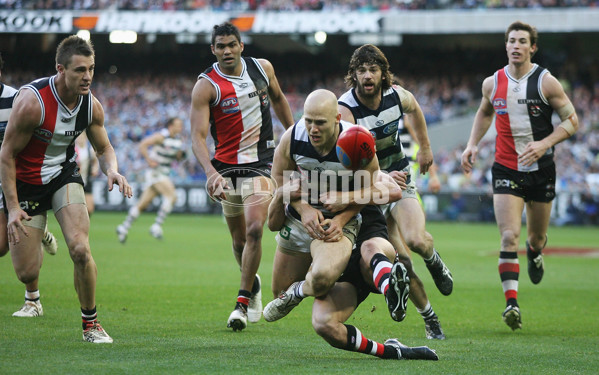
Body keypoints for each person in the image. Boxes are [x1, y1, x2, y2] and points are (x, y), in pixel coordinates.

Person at [0, 35, 133, 343]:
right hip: (26, 185)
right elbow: (6, 155)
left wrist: (112, 170)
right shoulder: (32, 103)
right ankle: (40, 233)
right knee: (25, 272)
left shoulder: (91, 105)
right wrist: (13, 207)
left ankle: (91, 325)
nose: (87, 77)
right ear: (60, 69)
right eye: (79, 70)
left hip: (63, 176)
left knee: (80, 248)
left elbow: (104, 147)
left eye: (91, 69)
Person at [461, 21, 579, 331]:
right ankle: (511, 303)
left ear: (532, 47)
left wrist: (544, 144)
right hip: (505, 167)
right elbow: (485, 111)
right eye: (511, 40)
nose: (516, 45)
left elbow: (572, 121)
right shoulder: (492, 82)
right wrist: (472, 144)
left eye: (522, 41)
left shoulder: (546, 83)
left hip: (541, 170)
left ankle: (536, 253)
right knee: (509, 235)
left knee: (535, 238)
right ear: (506, 45)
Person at [262, 89, 408, 325]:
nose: (312, 129)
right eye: (308, 121)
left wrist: (343, 212)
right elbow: (280, 179)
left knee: (320, 281)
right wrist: (304, 209)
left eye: (320, 123)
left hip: (338, 222)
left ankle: (317, 282)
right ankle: (316, 279)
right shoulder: (293, 137)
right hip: (301, 219)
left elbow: (368, 192)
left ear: (337, 119)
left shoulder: (358, 141)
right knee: (279, 291)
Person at [338, 44, 452, 339]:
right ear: (353, 75)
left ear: (382, 73)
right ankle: (430, 318)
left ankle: (434, 260)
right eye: (361, 70)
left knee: (416, 240)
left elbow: (414, 109)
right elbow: (350, 162)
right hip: (371, 191)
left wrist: (425, 148)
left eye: (373, 69)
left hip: (400, 178)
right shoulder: (345, 110)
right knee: (400, 262)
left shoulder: (396, 95)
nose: (367, 76)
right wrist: (383, 178)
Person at [190, 22, 295, 331]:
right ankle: (254, 284)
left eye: (231, 45)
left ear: (241, 46)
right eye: (220, 46)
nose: (226, 51)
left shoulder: (262, 69)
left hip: (262, 163)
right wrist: (210, 173)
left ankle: (241, 301)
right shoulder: (206, 85)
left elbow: (278, 99)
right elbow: (196, 136)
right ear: (213, 50)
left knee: (253, 231)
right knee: (238, 243)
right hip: (226, 169)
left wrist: (293, 138)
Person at [311, 203, 438, 361]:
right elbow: (276, 221)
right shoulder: (303, 186)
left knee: (370, 247)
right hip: (341, 271)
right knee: (323, 323)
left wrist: (346, 198)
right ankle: (393, 351)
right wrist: (299, 207)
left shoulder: (360, 179)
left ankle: (391, 291)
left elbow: (392, 190)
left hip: (372, 247)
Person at [0, 52, 59, 318]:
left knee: (13, 242)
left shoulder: (17, 99)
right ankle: (41, 231)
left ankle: (32, 301)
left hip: (16, 177)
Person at [117, 117, 185, 242]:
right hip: (156, 173)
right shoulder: (161, 136)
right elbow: (143, 144)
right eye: (178, 125)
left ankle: (124, 227)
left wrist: (181, 155)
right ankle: (157, 225)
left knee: (143, 204)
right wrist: (149, 160)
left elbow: (177, 157)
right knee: (172, 196)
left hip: (163, 172)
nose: (180, 127)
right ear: (170, 126)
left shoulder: (178, 140)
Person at [75, 130, 99, 216]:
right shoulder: (74, 150)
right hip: (75, 181)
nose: (80, 139)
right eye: (79, 137)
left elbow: (95, 161)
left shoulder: (89, 150)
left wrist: (95, 169)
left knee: (90, 209)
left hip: (86, 181)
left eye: (82, 137)